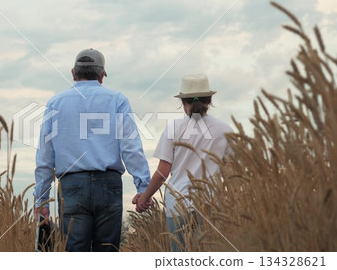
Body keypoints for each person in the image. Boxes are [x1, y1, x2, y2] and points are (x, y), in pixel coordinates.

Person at [33, 48, 150, 252]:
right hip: (109, 185)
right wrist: (143, 188)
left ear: (73, 73)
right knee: (106, 251)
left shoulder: (56, 103)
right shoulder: (117, 100)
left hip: (71, 186)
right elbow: (131, 147)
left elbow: (45, 154)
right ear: (102, 75)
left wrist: (42, 199)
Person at [134, 73, 233, 251]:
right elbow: (231, 173)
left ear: (183, 102)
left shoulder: (173, 128)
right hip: (212, 204)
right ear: (209, 101)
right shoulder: (225, 130)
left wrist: (145, 197)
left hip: (178, 205)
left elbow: (163, 172)